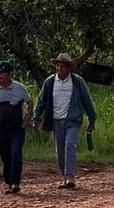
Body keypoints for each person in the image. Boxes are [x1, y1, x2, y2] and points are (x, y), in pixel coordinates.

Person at [33, 53, 95, 190]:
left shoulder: (77, 81)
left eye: (62, 66)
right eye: (57, 66)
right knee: (60, 151)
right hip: (56, 120)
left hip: (73, 119)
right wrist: (36, 118)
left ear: (69, 68)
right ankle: (64, 177)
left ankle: (70, 176)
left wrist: (92, 120)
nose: (59, 68)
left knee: (69, 145)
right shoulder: (50, 82)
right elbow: (41, 101)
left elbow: (87, 101)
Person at [0, 60, 33, 195]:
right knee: (5, 156)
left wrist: (26, 120)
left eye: (3, 73)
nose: (1, 76)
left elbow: (29, 103)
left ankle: (15, 182)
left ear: (10, 74)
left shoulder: (19, 88)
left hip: (17, 127)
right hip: (1, 128)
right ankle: (8, 180)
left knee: (16, 153)